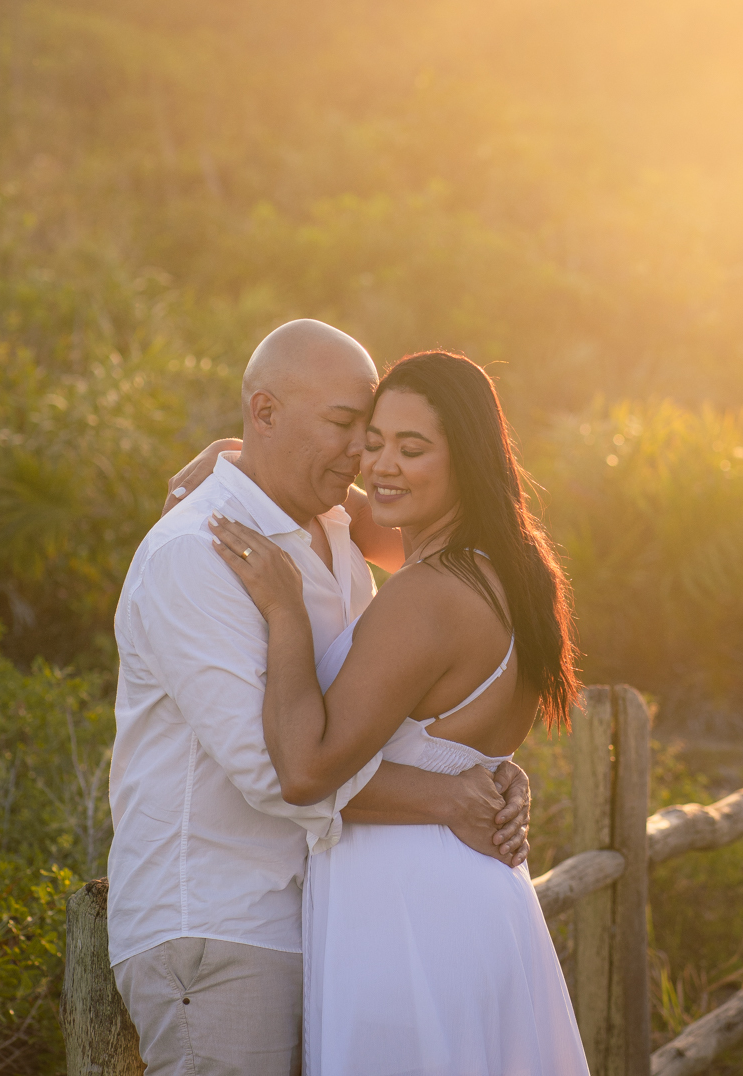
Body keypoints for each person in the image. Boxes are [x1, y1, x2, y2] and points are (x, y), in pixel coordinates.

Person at [108, 322, 532, 1076]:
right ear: (264, 412)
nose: (361, 458)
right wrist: (448, 794)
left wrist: (477, 765)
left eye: (367, 434)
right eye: (347, 428)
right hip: (220, 925)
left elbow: (456, 552)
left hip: (322, 920)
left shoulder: (337, 531)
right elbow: (280, 773)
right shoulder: (197, 557)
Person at [209, 349, 590, 1076]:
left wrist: (286, 613)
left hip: (408, 918)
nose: (380, 465)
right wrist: (230, 455)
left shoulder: (428, 595)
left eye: (411, 449)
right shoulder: (510, 565)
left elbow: (307, 770)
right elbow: (343, 504)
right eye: (373, 441)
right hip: (474, 903)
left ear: (466, 460)